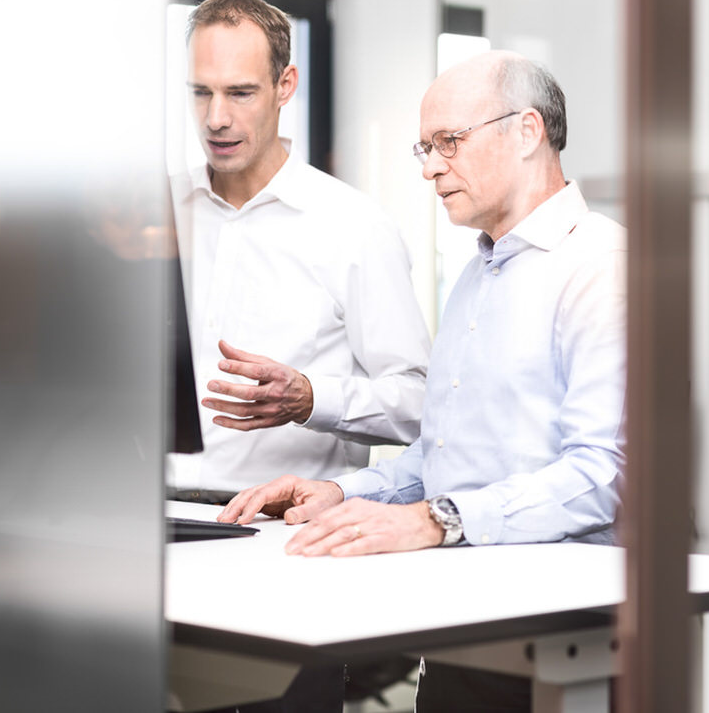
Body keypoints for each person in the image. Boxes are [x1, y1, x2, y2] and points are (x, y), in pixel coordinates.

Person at [219, 50, 627, 711]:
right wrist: (338, 491)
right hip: (464, 625)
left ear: (527, 132)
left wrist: (438, 521)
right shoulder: (477, 274)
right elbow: (445, 460)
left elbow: (604, 474)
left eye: (449, 142)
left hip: (566, 639)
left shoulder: (602, 268)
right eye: (424, 148)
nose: (432, 166)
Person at [169, 0, 431, 713]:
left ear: (286, 87)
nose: (216, 117)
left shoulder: (354, 229)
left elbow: (418, 404)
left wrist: (312, 399)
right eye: (201, 92)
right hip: (150, 543)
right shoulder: (153, 215)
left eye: (240, 92)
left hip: (278, 554)